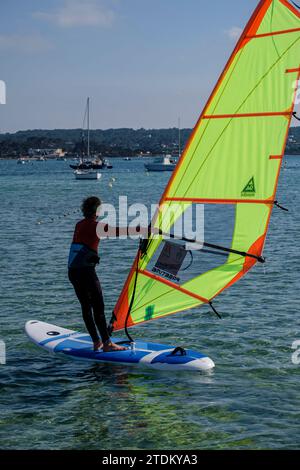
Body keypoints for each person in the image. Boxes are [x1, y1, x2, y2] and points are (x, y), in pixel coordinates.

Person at [68, 196, 129, 352]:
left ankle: (97, 342)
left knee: (86, 307)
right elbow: (120, 231)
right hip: (86, 272)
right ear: (97, 210)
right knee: (98, 306)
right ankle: (107, 344)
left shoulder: (79, 224)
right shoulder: (95, 226)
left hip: (73, 271)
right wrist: (146, 230)